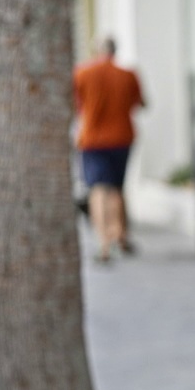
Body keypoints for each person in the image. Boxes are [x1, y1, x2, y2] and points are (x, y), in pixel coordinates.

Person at [73, 37, 145, 263]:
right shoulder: (128, 75)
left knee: (97, 189)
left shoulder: (82, 74)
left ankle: (104, 244)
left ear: (97, 51)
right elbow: (141, 103)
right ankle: (121, 237)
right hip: (122, 137)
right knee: (117, 187)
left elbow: (76, 105)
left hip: (92, 139)